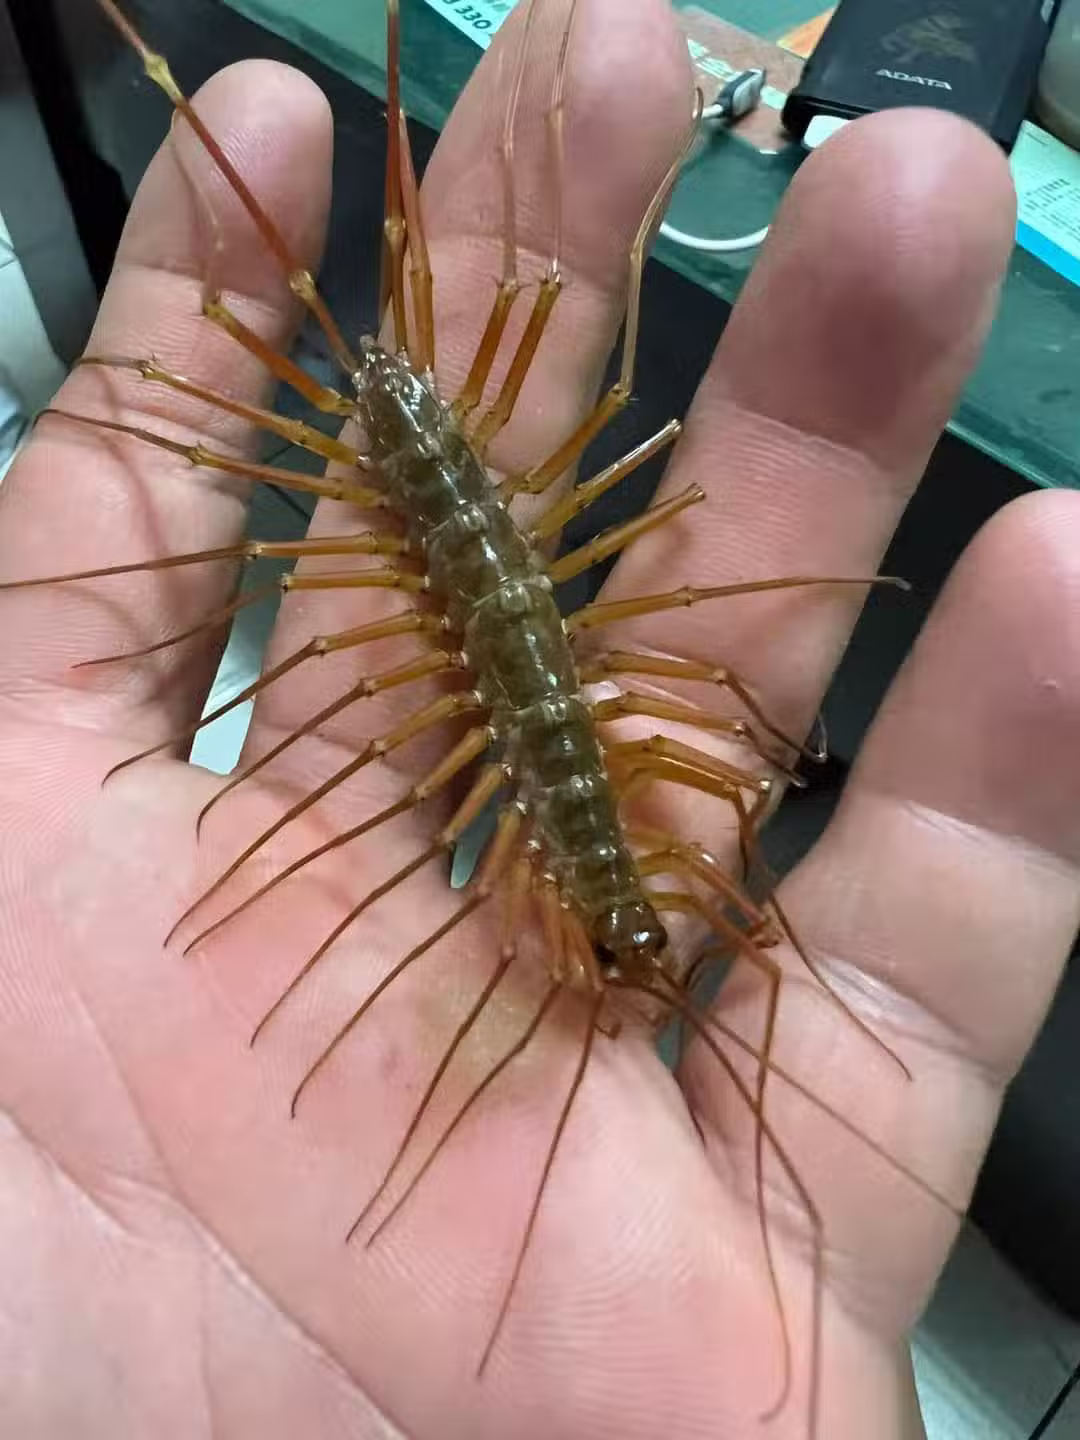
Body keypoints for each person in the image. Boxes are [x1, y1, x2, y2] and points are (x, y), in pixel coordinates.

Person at [0, 2, 1076, 1435]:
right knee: (384, 369)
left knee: (359, 383)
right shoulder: (599, 859)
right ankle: (223, 59)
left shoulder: (590, 861)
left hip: (472, 573)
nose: (635, 950)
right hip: (457, 539)